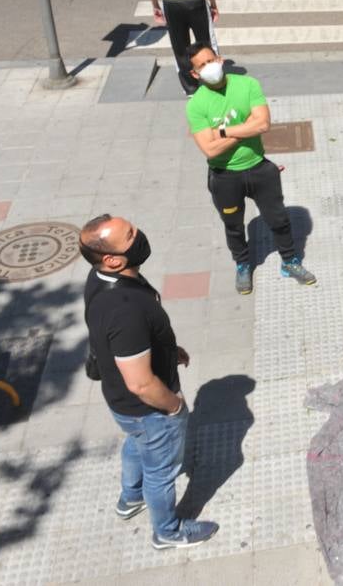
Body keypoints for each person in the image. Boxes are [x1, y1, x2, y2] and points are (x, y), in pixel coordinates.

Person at [80, 213, 219, 550]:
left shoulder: (101, 279)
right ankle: (167, 532)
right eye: (130, 235)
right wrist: (174, 407)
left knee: (137, 443)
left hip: (126, 408)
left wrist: (170, 351)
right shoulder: (125, 309)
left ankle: (130, 498)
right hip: (149, 407)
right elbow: (141, 383)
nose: (139, 233)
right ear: (112, 259)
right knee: (161, 470)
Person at [185, 42, 317, 294]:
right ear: (195, 74)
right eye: (202, 65)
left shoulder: (248, 85)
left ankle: (290, 261)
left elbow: (263, 124)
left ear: (220, 59)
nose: (209, 67)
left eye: (211, 60)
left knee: (278, 218)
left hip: (259, 168)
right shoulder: (196, 105)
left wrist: (221, 131)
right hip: (224, 177)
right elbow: (210, 150)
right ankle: (243, 265)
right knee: (233, 225)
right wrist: (246, 128)